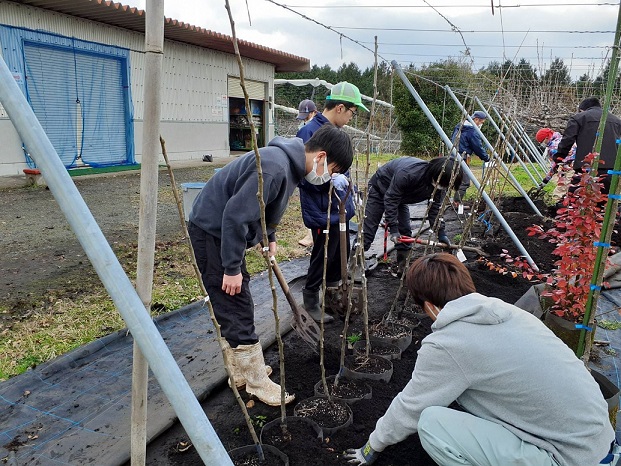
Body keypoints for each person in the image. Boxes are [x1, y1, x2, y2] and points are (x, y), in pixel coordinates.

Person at [345, 253, 616, 466]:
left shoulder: (449, 344)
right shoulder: (511, 313)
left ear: (428, 306)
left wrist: (371, 447)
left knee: (431, 422)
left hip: (566, 458)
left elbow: (410, 408)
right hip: (599, 441)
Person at [188, 125, 353, 406]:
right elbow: (234, 217)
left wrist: (269, 236)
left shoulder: (288, 165)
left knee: (235, 300)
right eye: (333, 170)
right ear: (322, 157)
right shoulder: (275, 168)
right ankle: (255, 382)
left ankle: (240, 372)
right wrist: (230, 268)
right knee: (235, 300)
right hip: (213, 233)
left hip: (222, 232)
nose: (330, 177)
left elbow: (263, 206)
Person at [296, 82, 368, 323]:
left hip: (338, 209)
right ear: (339, 107)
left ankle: (333, 294)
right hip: (321, 209)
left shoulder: (332, 131)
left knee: (339, 250)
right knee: (323, 251)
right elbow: (306, 176)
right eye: (351, 112)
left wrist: (350, 190)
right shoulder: (310, 132)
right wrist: (331, 181)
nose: (350, 118)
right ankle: (310, 298)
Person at [362, 157, 462, 271]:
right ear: (436, 175)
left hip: (401, 197)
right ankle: (353, 264)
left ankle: (402, 266)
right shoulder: (409, 174)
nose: (443, 188)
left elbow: (435, 209)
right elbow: (391, 199)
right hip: (380, 188)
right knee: (368, 231)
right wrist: (393, 229)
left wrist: (441, 233)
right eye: (444, 184)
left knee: (405, 231)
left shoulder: (439, 186)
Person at [556, 96, 621, 196]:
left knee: (577, 200)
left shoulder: (579, 118)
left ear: (582, 109)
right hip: (611, 171)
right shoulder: (616, 121)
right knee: (605, 204)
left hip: (586, 169)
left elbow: (567, 140)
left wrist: (559, 157)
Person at [450, 110, 490, 208]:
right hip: (462, 157)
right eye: (481, 122)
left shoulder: (460, 126)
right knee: (465, 182)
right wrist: (486, 158)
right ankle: (457, 203)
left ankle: (443, 200)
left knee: (451, 179)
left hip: (452, 155)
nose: (481, 124)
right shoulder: (471, 131)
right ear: (476, 120)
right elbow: (477, 147)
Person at [534, 127, 576, 201]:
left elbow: (554, 166)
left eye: (541, 142)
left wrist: (545, 181)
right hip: (576, 164)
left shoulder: (553, 148)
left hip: (571, 168)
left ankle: (556, 206)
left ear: (547, 138)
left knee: (560, 191)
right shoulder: (563, 139)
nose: (541, 144)